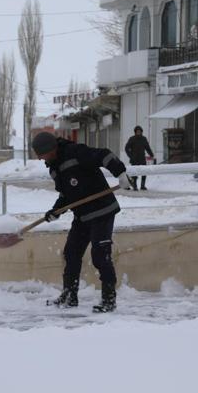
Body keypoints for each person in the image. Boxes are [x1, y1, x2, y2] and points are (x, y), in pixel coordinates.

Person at [32, 131, 131, 313]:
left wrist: (120, 172)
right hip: (82, 216)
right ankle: (70, 296)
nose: (40, 159)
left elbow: (103, 155)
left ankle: (109, 300)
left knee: (100, 256)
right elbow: (66, 194)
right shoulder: (54, 167)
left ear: (51, 149)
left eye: (41, 154)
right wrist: (56, 211)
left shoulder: (75, 152)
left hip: (102, 211)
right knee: (71, 254)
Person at [125, 126, 154, 190]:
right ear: (135, 132)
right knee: (134, 173)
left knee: (144, 172)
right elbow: (126, 148)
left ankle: (142, 185)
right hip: (134, 159)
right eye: (137, 131)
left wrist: (151, 154)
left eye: (139, 131)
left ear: (141, 132)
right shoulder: (132, 139)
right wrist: (130, 156)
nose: (138, 132)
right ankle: (135, 186)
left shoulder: (144, 139)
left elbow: (147, 148)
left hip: (142, 159)